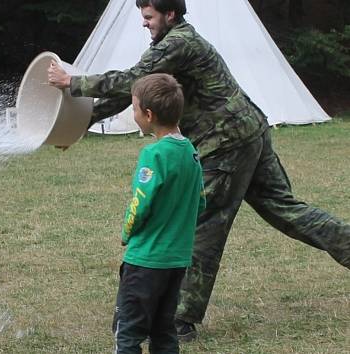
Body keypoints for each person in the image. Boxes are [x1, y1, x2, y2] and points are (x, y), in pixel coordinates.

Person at [48, 0, 350, 342]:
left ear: (170, 14)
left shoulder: (180, 43)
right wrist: (79, 125)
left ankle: (179, 319)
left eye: (148, 17)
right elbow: (139, 91)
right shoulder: (170, 44)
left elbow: (132, 81)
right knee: (286, 210)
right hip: (248, 130)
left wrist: (72, 83)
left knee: (202, 224)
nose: (144, 24)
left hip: (226, 144)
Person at [113, 73, 205, 353]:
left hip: (145, 261)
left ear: (149, 114)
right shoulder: (191, 152)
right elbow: (200, 203)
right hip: (176, 262)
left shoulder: (154, 155)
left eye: (134, 108)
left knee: (128, 331)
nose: (133, 113)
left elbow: (140, 203)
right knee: (164, 331)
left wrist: (127, 232)